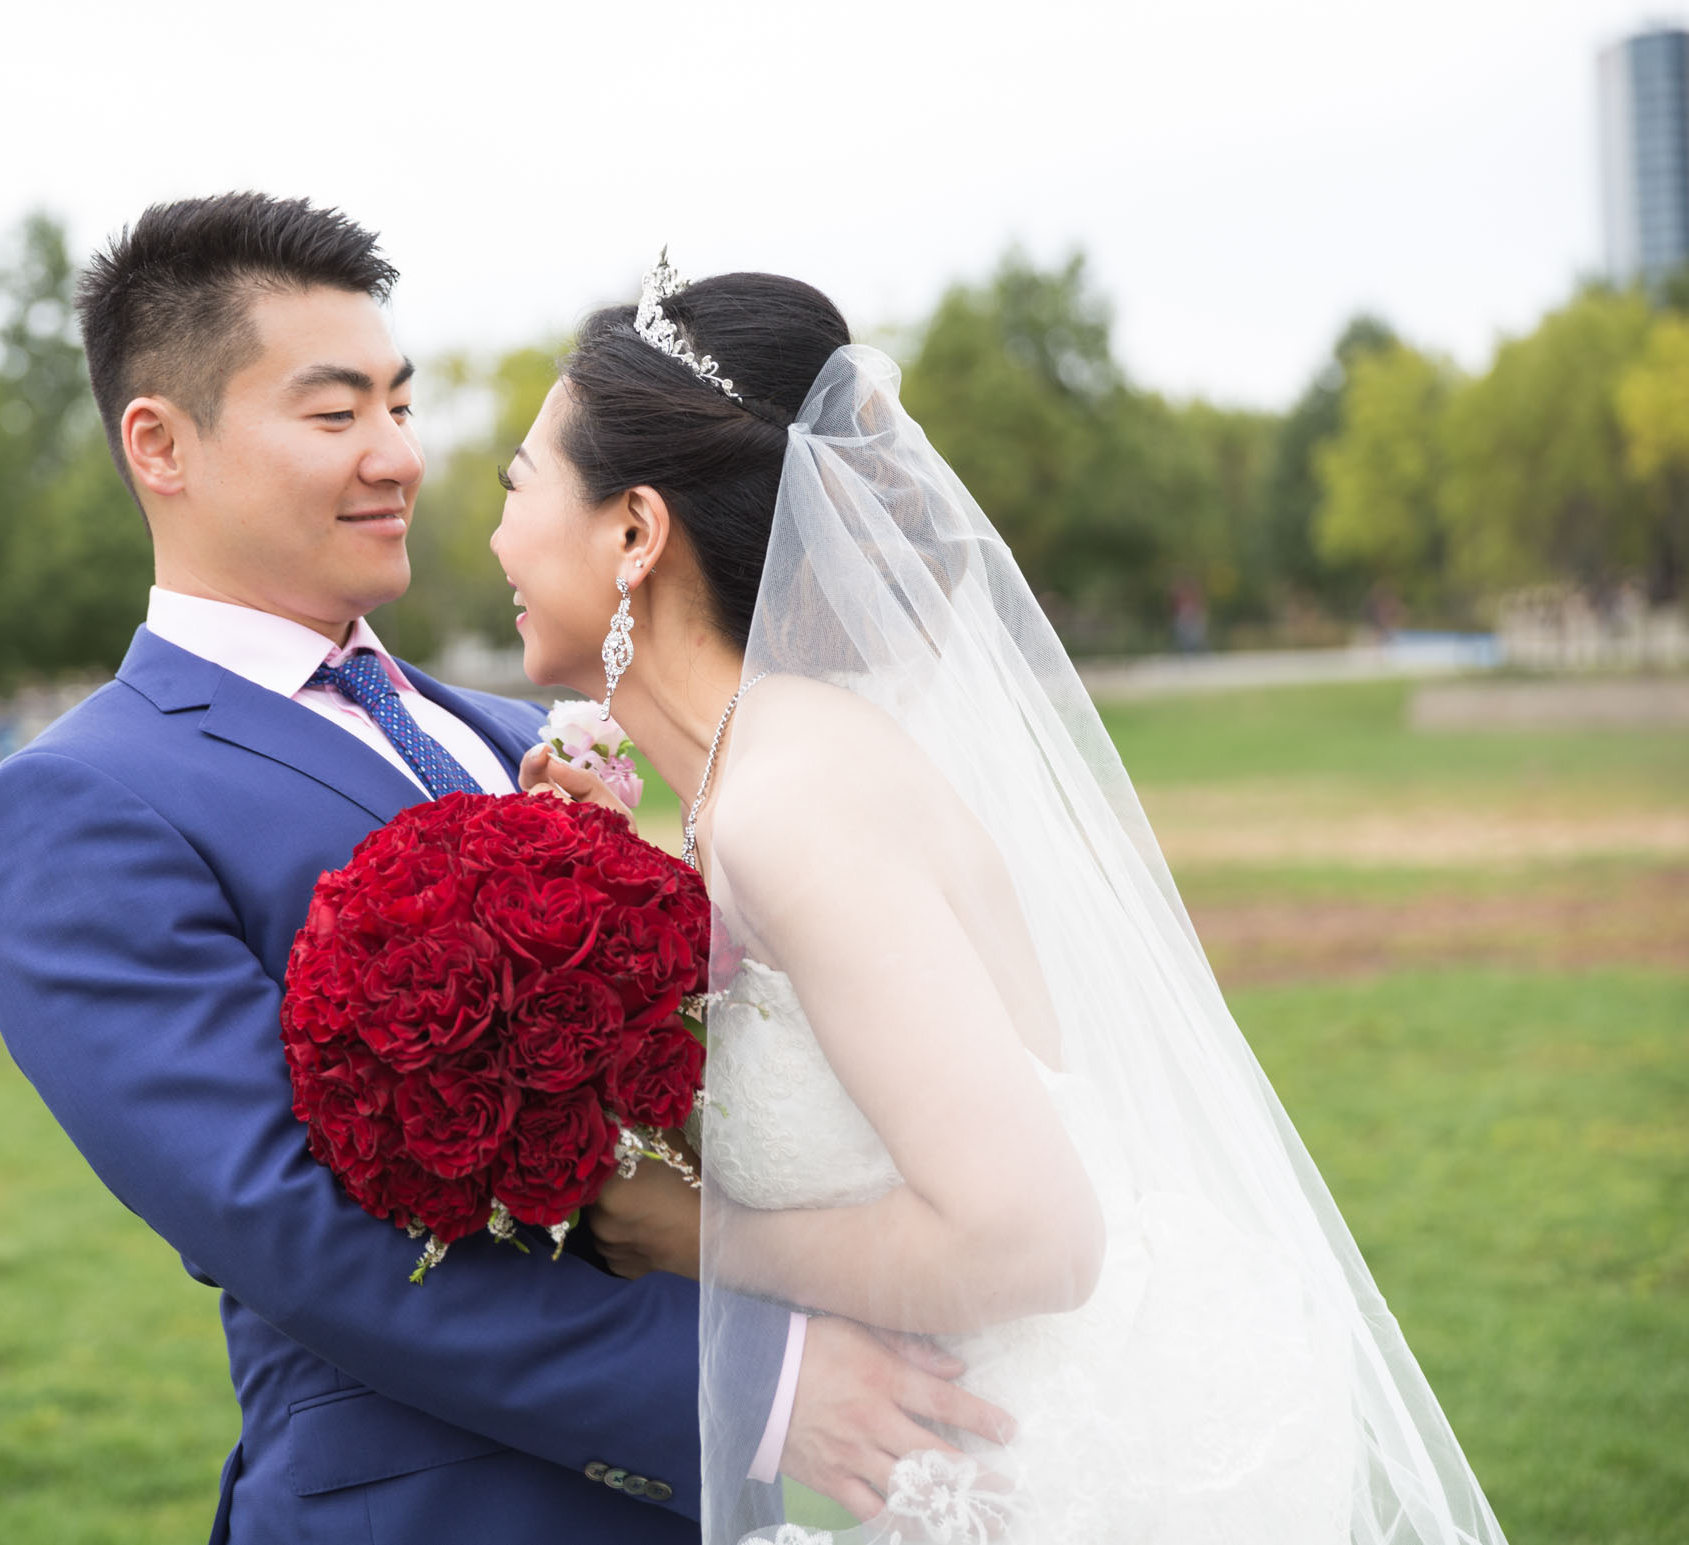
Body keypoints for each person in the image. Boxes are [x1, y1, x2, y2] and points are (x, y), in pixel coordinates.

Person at [0, 195, 1003, 1545]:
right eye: (335, 415)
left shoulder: (528, 729)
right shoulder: (83, 805)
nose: (397, 454)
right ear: (161, 443)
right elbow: (292, 1224)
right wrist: (762, 1375)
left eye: (399, 404)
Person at [494, 254, 1511, 1544]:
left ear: (635, 530)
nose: (496, 538)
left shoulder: (791, 800)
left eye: (518, 487)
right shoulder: (758, 780)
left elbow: (1034, 1240)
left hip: (1084, 1466)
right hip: (1008, 1435)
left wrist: (697, 1234)